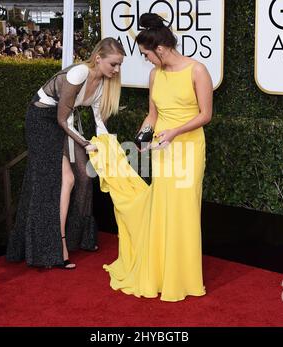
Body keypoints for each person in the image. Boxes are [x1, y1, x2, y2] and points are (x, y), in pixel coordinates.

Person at [89, 13, 213, 301]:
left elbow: (205, 115)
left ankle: (182, 278)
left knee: (183, 211)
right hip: (161, 149)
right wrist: (142, 139)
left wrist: (174, 132)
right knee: (162, 208)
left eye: (146, 54)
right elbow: (154, 115)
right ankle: (160, 273)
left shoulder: (197, 70)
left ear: (159, 49)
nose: (146, 60)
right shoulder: (155, 75)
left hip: (188, 149)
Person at [6, 37, 125, 269]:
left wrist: (109, 146)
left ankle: (78, 238)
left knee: (84, 176)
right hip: (42, 121)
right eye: (113, 64)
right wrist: (86, 143)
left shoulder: (102, 82)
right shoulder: (79, 73)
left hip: (65, 121)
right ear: (98, 58)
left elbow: (100, 122)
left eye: (120, 65)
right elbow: (60, 118)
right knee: (64, 180)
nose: (117, 70)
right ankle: (55, 247)